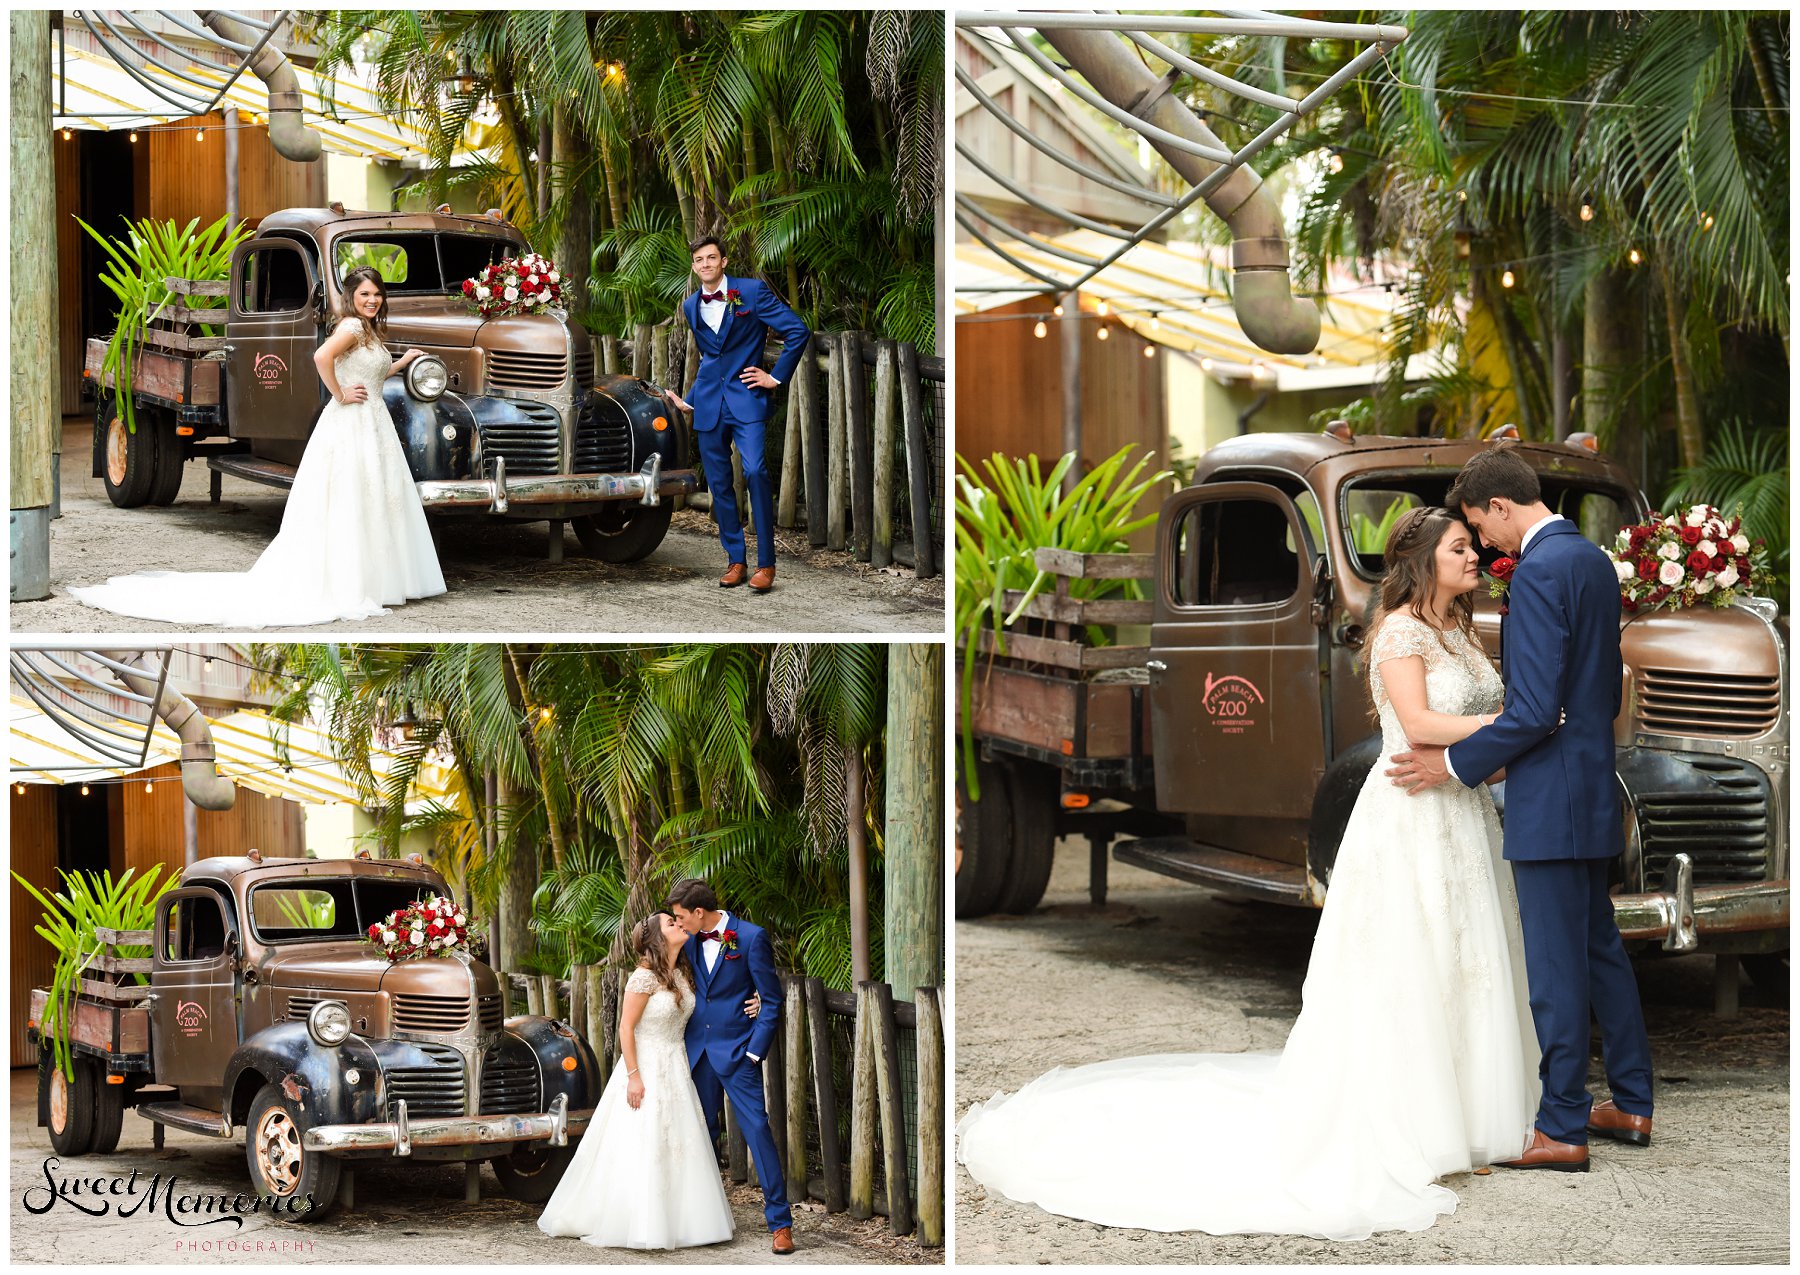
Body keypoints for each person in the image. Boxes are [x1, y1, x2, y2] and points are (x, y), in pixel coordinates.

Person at [956, 506, 1540, 1240]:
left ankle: (1471, 1113)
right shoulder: (1398, 630)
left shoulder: (1460, 628)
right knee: (1409, 961)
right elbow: (1418, 725)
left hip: (1461, 814)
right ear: (1423, 560)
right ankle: (1413, 1115)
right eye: (1460, 548)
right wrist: (1514, 728)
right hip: (1412, 819)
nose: (1475, 557)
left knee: (1468, 956)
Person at [1388, 445, 1654, 1170]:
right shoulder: (1594, 560)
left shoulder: (1539, 571)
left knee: (1556, 966)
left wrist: (1454, 763)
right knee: (1600, 948)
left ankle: (1563, 1125)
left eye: (1481, 525)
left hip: (1549, 795)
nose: (1485, 543)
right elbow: (1591, 697)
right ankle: (1630, 1098)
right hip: (1593, 783)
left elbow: (1536, 709)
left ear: (1501, 507)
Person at [67, 267, 445, 626]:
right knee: (348, 497)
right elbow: (321, 357)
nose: (373, 299)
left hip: (372, 421)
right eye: (365, 294)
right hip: (352, 419)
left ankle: (377, 578)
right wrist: (340, 393)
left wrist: (401, 363)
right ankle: (353, 580)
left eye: (378, 294)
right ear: (351, 296)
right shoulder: (350, 326)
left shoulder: (368, 329)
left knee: (369, 497)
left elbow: (371, 373)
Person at [538, 912, 742, 1250]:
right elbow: (625, 1028)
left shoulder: (682, 973)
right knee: (642, 1139)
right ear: (656, 939)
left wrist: (754, 1003)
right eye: (669, 923)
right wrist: (634, 1076)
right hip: (644, 1066)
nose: (678, 924)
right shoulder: (643, 977)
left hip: (676, 1066)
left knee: (680, 1140)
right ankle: (638, 1219)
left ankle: (686, 1221)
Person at [665, 237, 810, 594]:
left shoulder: (751, 292)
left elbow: (797, 331)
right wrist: (690, 401)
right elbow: (709, 360)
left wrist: (774, 377)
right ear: (694, 266)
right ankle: (735, 560)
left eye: (711, 257)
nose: (705, 264)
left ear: (724, 261)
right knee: (719, 485)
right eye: (699, 260)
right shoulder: (689, 305)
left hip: (747, 399)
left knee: (756, 471)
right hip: (710, 404)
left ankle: (767, 564)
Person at [667, 877, 795, 1254]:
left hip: (739, 1052)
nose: (676, 923)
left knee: (758, 1129)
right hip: (697, 1053)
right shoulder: (685, 940)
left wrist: (755, 1051)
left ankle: (781, 1224)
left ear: (699, 913)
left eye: (680, 916)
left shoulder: (751, 938)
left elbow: (770, 1000)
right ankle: (698, 1218)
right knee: (700, 1133)